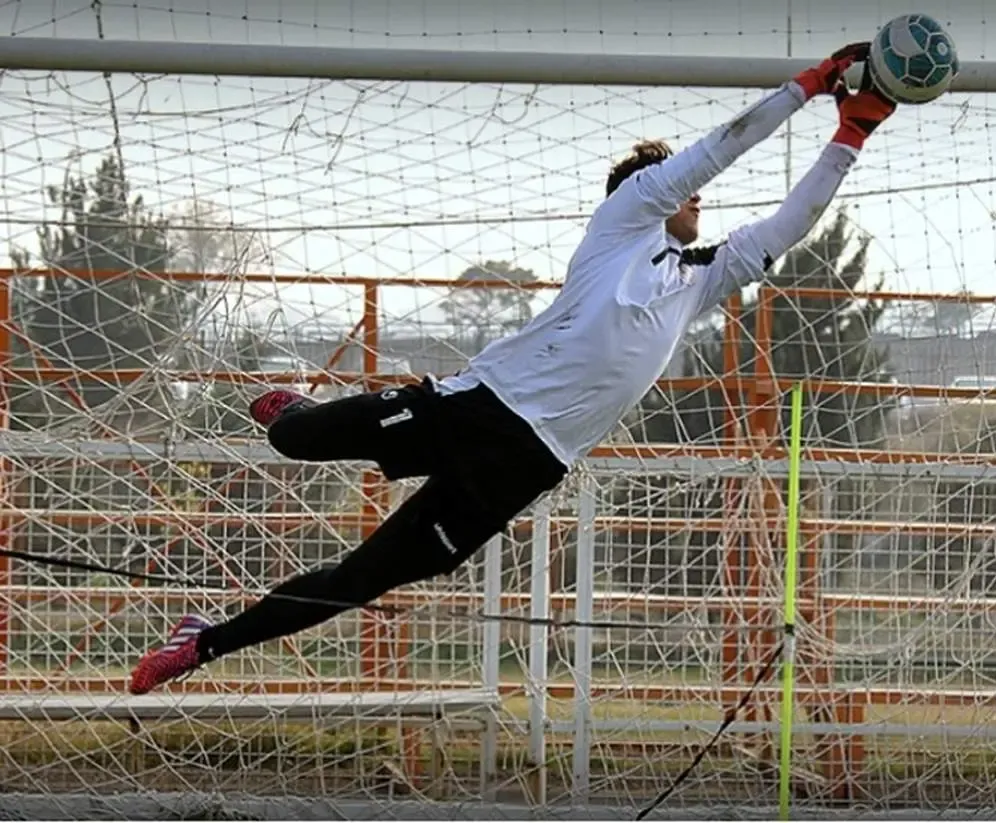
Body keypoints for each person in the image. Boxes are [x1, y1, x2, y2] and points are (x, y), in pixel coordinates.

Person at [128, 42, 895, 694]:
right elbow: (720, 146)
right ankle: (295, 412)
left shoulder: (700, 281)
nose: (697, 191)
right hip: (478, 406)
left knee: (365, 577)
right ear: (641, 194)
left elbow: (787, 225)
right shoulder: (620, 223)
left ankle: (204, 642)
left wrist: (850, 134)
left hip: (527, 464)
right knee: (294, 443)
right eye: (681, 185)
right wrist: (807, 86)